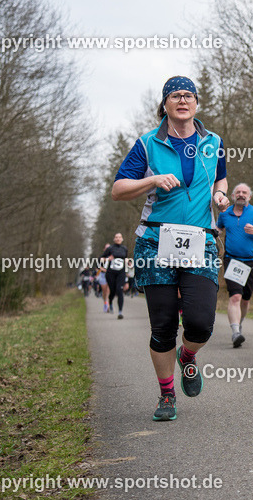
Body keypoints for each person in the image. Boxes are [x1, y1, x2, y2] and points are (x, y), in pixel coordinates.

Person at [111, 75, 229, 421]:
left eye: (188, 95)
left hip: (201, 240)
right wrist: (151, 180)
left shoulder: (214, 142)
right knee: (162, 325)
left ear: (196, 103)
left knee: (201, 323)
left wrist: (220, 194)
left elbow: (220, 177)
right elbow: (118, 189)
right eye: (175, 95)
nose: (182, 100)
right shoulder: (147, 143)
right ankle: (166, 396)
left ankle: (188, 357)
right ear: (164, 104)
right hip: (154, 241)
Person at [217, 183, 253, 347]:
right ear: (232, 196)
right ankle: (235, 333)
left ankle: (239, 324)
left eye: (244, 192)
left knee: (245, 300)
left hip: (251, 262)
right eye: (237, 192)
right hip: (232, 260)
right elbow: (217, 231)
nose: (241, 194)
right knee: (235, 297)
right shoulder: (224, 214)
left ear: (250, 196)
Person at [101, 233, 130, 319]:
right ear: (114, 239)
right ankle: (110, 302)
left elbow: (126, 259)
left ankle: (120, 312)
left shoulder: (124, 249)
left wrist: (127, 261)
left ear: (122, 239)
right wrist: (107, 259)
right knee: (112, 291)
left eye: (119, 237)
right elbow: (101, 259)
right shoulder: (110, 248)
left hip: (121, 272)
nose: (118, 239)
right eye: (116, 237)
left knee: (119, 290)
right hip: (110, 273)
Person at [97, 245, 110, 311]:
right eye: (106, 248)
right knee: (104, 291)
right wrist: (104, 269)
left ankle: (108, 305)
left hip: (110, 275)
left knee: (108, 291)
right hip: (103, 275)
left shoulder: (112, 258)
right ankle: (105, 302)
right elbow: (98, 266)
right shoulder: (101, 258)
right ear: (104, 249)